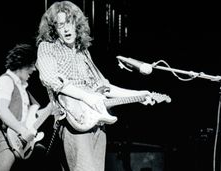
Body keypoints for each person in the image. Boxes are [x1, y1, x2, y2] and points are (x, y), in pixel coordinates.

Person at [35, 1, 156, 170]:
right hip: (74, 122)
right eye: (61, 25)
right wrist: (87, 97)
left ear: (77, 25)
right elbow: (49, 78)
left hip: (97, 122)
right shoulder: (47, 47)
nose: (66, 29)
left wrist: (140, 94)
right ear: (54, 28)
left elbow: (105, 87)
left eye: (69, 23)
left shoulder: (83, 52)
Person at [0, 44, 55, 171]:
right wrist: (22, 130)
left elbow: (32, 116)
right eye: (31, 65)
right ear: (21, 63)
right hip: (7, 137)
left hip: (24, 140)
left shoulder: (23, 89)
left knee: (43, 155)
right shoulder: (6, 81)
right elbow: (1, 110)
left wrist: (51, 109)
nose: (34, 70)